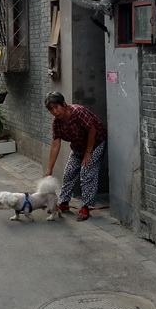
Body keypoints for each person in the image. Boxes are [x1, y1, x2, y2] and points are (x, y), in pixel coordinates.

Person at [43, 91, 107, 221]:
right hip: (78, 147)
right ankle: (64, 203)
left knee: (86, 172)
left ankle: (85, 207)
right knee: (69, 172)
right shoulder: (57, 123)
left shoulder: (78, 112)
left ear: (64, 104)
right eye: (51, 109)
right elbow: (55, 145)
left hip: (95, 144)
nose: (55, 111)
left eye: (56, 107)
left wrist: (88, 153)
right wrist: (49, 169)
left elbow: (92, 130)